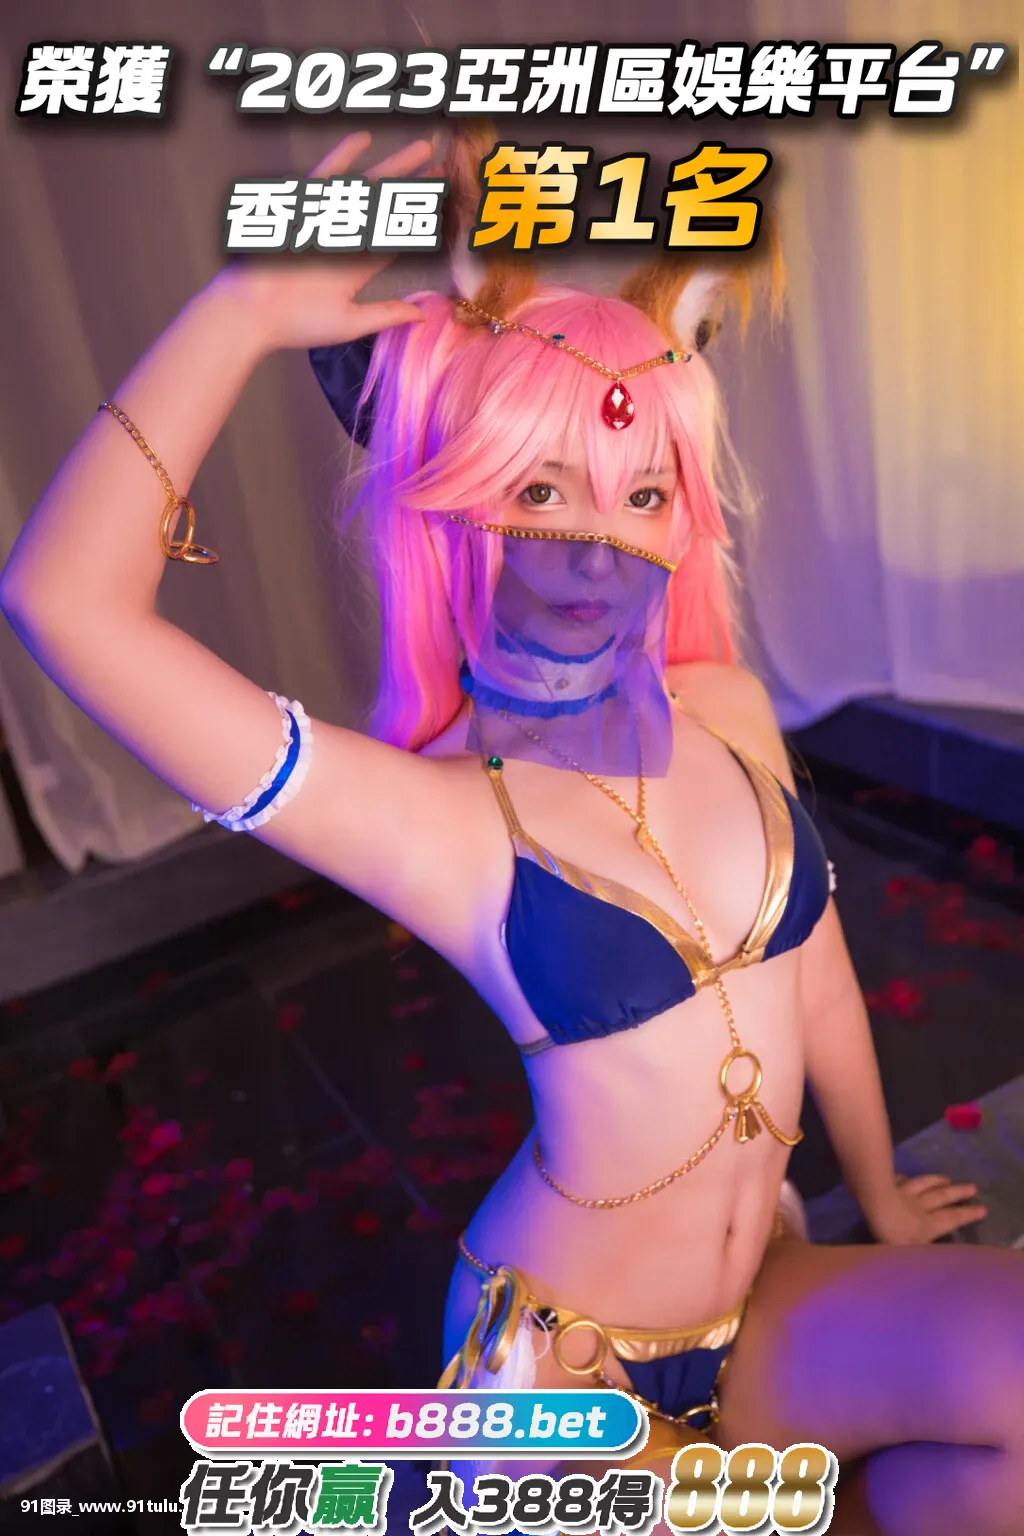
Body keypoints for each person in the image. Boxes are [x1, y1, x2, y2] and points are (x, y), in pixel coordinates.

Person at [1, 127, 1021, 1536]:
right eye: (542, 489)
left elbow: (823, 980)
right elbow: (63, 604)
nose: (596, 548)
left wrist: (881, 1198)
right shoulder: (428, 813)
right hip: (560, 1373)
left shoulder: (726, 704)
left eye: (641, 493)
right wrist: (237, 314)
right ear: (461, 506)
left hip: (761, 1288)